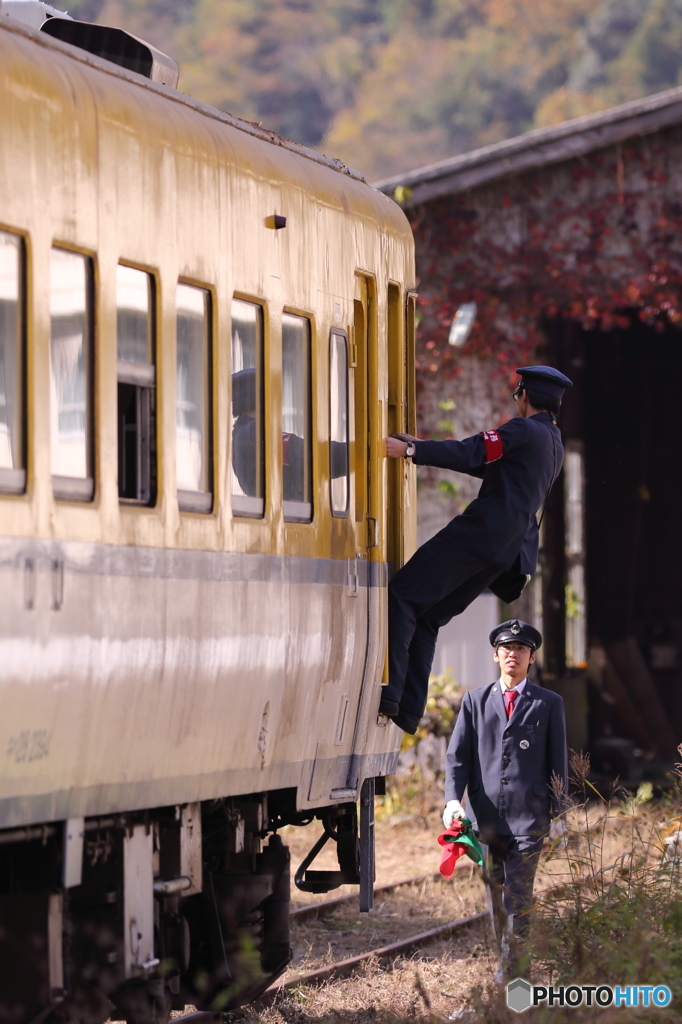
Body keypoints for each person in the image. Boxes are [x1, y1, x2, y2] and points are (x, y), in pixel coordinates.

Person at [380, 364, 572, 734]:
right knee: (428, 617)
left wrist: (410, 451)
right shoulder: (552, 443)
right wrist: (418, 447)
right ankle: (406, 710)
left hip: (481, 534)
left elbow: (475, 451)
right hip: (508, 551)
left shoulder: (521, 428)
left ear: (525, 396)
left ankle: (391, 694)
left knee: (404, 595)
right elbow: (494, 468)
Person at [443, 619, 568, 981]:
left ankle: (510, 977)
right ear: (497, 655)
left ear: (531, 658)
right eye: (507, 649)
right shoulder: (475, 701)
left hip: (529, 818)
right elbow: (458, 758)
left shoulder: (549, 703)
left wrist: (559, 813)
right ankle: (512, 967)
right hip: (486, 819)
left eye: (521, 649)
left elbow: (557, 762)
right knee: (496, 899)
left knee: (517, 899)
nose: (513, 655)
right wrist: (454, 800)